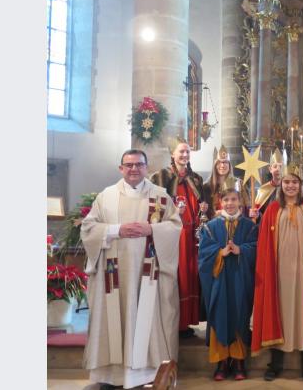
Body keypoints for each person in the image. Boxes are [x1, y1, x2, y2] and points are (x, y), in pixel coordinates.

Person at [80, 149, 182, 390]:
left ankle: (147, 374)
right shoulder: (106, 197)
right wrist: (117, 230)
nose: (134, 169)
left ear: (146, 167)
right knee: (114, 321)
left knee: (146, 320)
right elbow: (88, 228)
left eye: (139, 164)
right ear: (121, 168)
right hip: (113, 275)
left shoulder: (160, 196)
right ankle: (111, 376)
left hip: (149, 276)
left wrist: (152, 229)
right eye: (129, 165)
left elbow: (175, 226)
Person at [251, 167, 303, 381]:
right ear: (281, 185)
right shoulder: (272, 210)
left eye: (294, 182)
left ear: (300, 186)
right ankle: (275, 363)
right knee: (279, 312)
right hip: (279, 272)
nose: (291, 186)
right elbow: (264, 243)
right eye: (287, 182)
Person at [198, 189, 258, 381]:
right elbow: (203, 254)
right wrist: (219, 253)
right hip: (219, 280)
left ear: (240, 202)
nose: (230, 203)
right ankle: (221, 361)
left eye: (233, 199)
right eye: (226, 200)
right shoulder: (210, 226)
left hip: (241, 279)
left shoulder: (250, 226)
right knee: (219, 313)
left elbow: (257, 247)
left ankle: (239, 360)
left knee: (240, 314)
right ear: (220, 202)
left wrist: (242, 249)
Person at [149, 139, 206, 338]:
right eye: (181, 152)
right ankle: (173, 322)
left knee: (190, 275)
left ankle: (186, 322)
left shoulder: (196, 179)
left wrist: (203, 207)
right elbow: (154, 209)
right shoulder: (160, 177)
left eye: (187, 152)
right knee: (176, 275)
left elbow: (201, 203)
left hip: (192, 235)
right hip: (173, 235)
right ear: (172, 154)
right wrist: (172, 210)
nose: (185, 155)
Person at [201, 145, 247, 219]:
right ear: (215, 165)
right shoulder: (206, 187)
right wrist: (214, 214)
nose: (222, 165)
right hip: (214, 223)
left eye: (225, 162)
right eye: (219, 162)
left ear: (229, 165)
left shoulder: (238, 183)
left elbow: (247, 208)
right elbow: (204, 211)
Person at [252, 147, 283, 218]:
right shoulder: (263, 189)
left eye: (280, 167)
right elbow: (258, 212)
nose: (278, 169)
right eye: (275, 166)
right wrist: (256, 214)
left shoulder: (287, 189)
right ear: (270, 169)